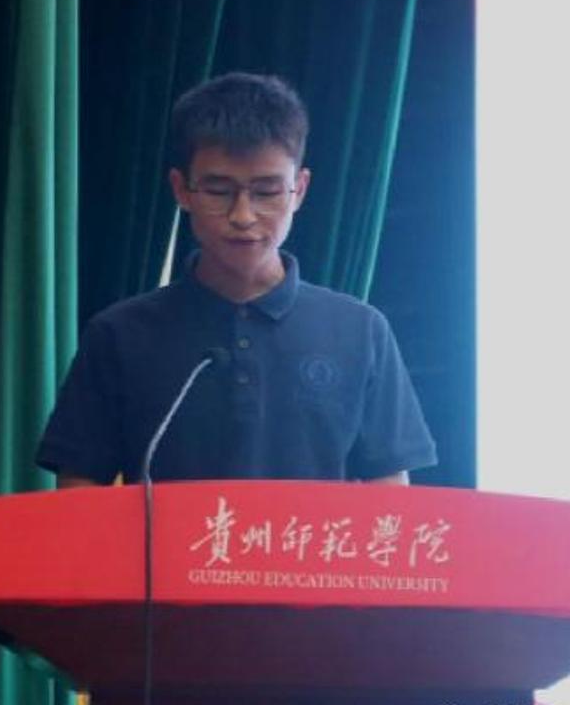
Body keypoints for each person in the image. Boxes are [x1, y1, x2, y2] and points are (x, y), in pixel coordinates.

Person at [36, 72, 436, 488]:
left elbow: (390, 492)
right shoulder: (120, 334)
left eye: (266, 192)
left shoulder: (360, 330)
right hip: (167, 536)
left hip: (308, 536)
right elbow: (78, 488)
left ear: (299, 190)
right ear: (181, 189)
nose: (243, 216)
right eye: (218, 191)